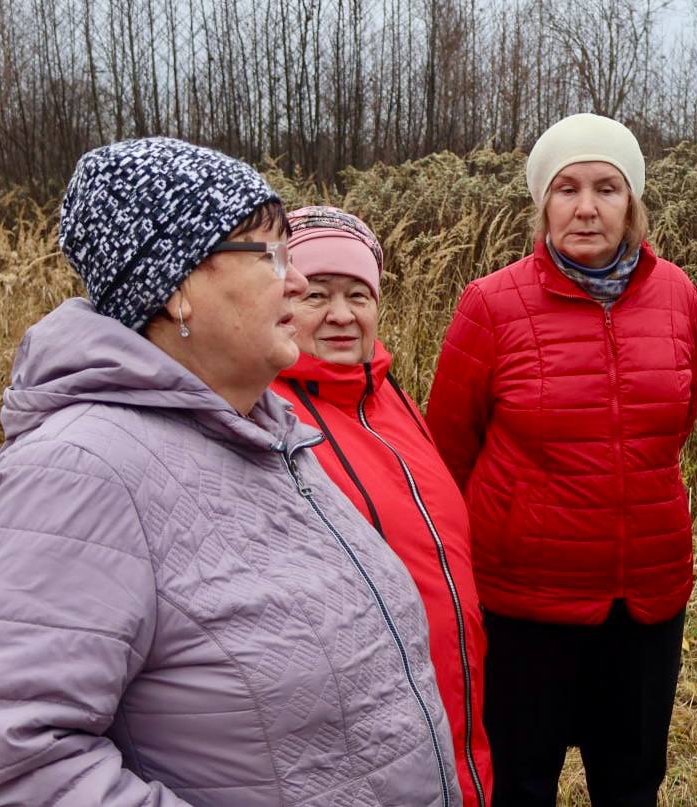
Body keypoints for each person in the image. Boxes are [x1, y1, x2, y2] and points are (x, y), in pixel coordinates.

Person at [0, 137, 461, 807]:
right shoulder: (82, 470)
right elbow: (1, 760)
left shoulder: (268, 435)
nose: (297, 281)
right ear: (174, 285)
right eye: (268, 253)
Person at [426, 113, 697, 807]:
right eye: (566, 188)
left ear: (631, 201)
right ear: (541, 204)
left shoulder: (677, 294)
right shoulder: (491, 305)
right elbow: (446, 452)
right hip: (525, 599)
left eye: (607, 188)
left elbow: (678, 418)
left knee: (632, 779)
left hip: (645, 594)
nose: (586, 207)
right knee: (520, 781)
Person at [269, 205, 492, 807]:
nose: (342, 315)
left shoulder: (388, 398)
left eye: (358, 295)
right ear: (283, 296)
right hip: (361, 739)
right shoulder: (266, 417)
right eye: (318, 294)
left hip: (453, 708)